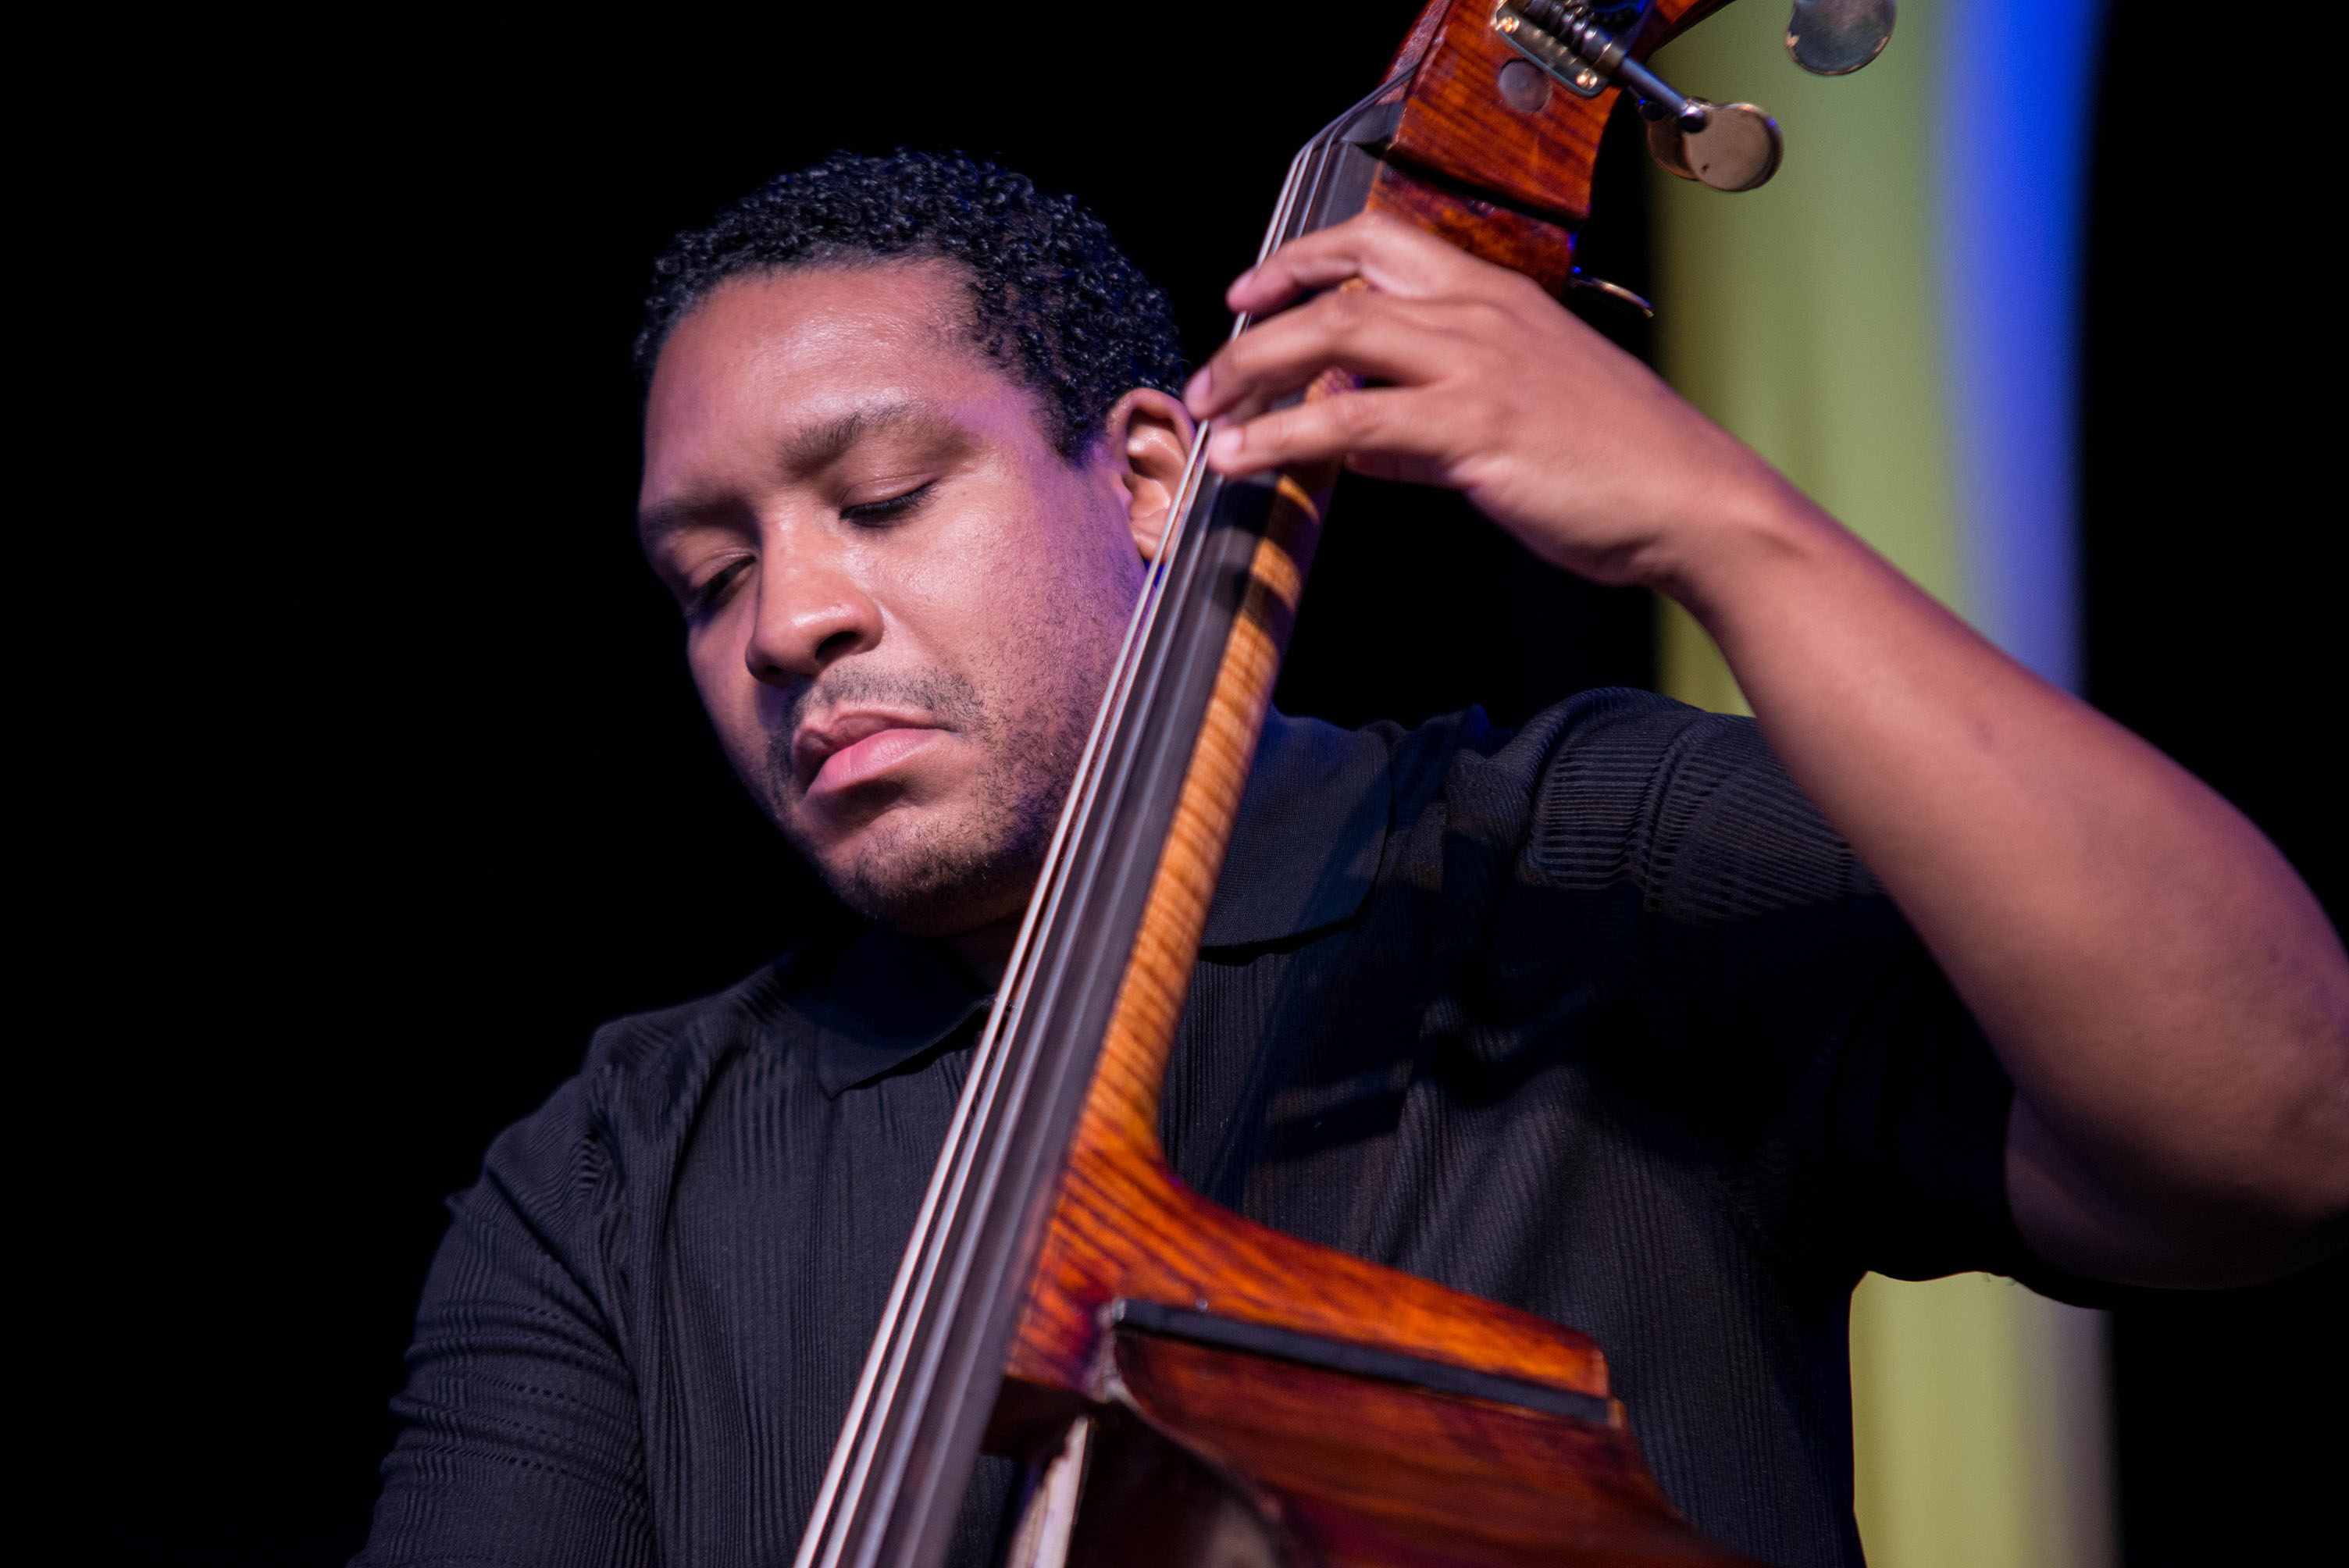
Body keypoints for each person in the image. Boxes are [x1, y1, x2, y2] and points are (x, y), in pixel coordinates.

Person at [357, 151, 2347, 1567]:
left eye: (878, 496)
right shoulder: (614, 1173)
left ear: (1147, 476)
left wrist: (1715, 527)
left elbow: (2282, 1123)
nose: (788, 619)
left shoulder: (1578, 858)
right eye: (707, 580)